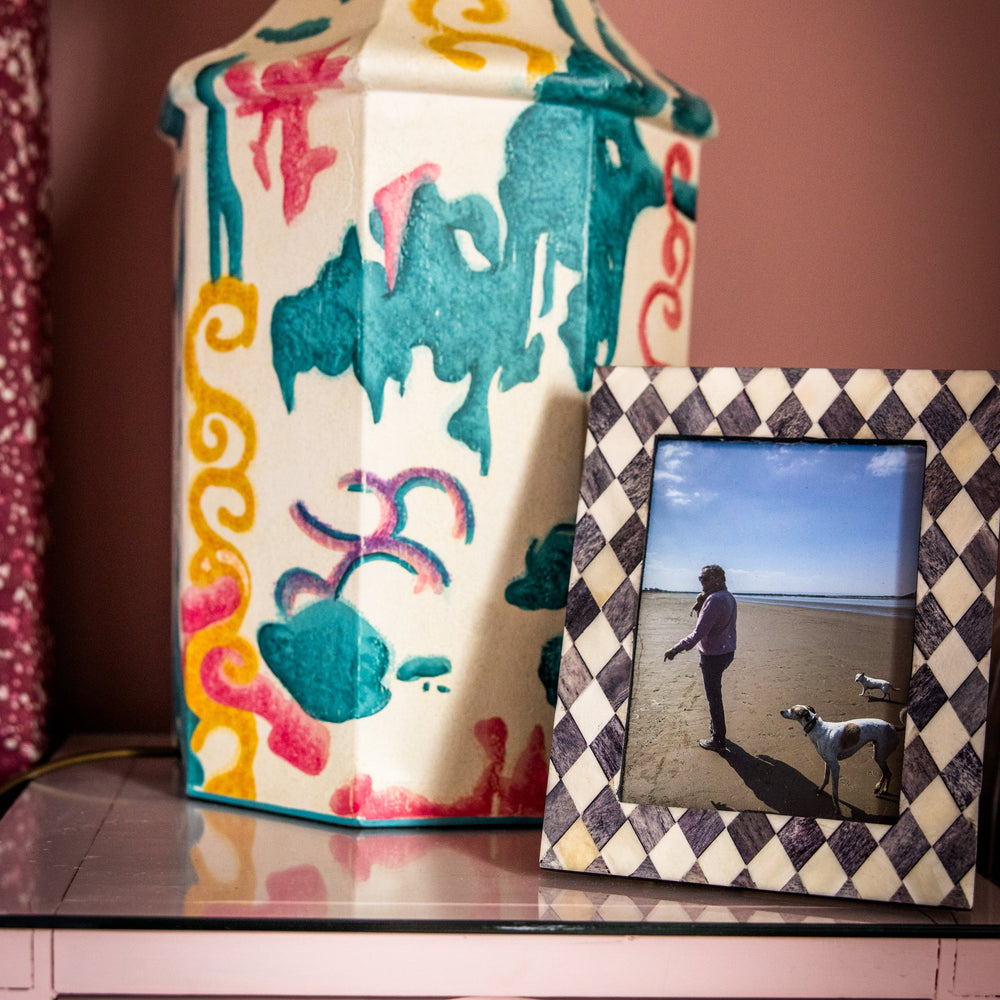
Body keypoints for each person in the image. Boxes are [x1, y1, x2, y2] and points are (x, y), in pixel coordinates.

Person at [663, 565, 738, 752]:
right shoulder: (728, 596)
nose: (701, 582)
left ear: (716, 580)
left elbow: (697, 634)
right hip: (727, 652)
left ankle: (718, 738)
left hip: (713, 656)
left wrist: (675, 649)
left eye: (704, 579)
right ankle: (718, 733)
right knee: (715, 694)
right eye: (700, 578)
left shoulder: (714, 600)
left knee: (714, 697)